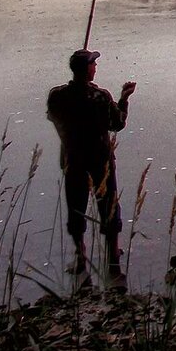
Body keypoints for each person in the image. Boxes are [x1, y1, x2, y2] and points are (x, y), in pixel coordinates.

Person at [46, 49, 136, 282]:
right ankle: (113, 256)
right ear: (86, 69)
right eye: (93, 64)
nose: (96, 67)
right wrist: (124, 99)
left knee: (76, 206)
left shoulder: (57, 96)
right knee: (109, 207)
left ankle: (80, 254)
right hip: (99, 161)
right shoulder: (100, 97)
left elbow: (54, 117)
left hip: (72, 160)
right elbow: (117, 124)